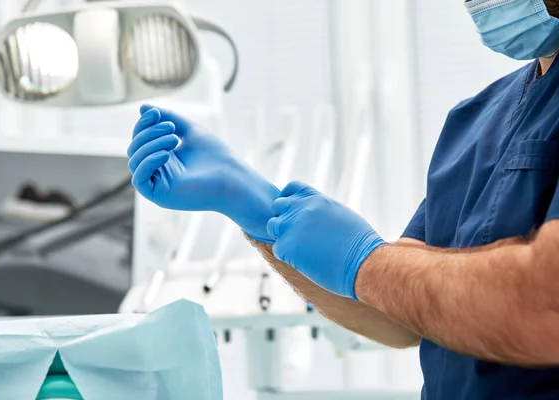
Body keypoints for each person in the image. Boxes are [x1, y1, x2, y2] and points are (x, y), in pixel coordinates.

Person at [126, 0, 559, 398]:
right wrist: (256, 209)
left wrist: (364, 260)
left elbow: (545, 305)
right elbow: (403, 314)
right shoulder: (475, 121)